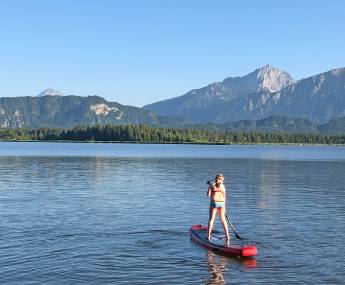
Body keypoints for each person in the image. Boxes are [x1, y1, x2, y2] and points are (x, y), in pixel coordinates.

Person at [207, 174, 230, 244]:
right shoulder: (223, 186)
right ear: (222, 180)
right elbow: (224, 197)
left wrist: (209, 186)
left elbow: (208, 195)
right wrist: (225, 207)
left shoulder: (212, 185)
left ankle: (208, 236)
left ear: (215, 179)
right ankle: (228, 236)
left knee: (211, 219)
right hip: (222, 204)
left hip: (214, 203)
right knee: (223, 220)